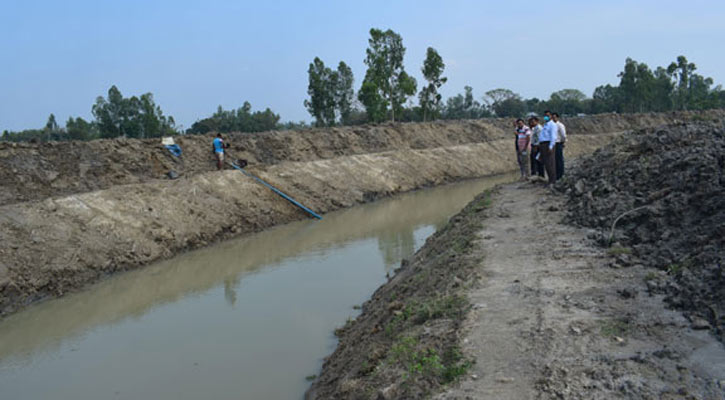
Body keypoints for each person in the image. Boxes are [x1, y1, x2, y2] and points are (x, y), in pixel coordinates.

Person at [538, 111, 558, 186]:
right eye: (545, 115)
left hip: (548, 144)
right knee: (546, 163)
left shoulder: (552, 125)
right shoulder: (545, 125)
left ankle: (553, 181)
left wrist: (550, 146)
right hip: (543, 144)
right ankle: (550, 179)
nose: (546, 117)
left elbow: (553, 136)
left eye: (548, 115)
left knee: (550, 163)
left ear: (551, 116)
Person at [552, 112, 567, 180]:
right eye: (552, 117)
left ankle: (561, 174)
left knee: (559, 160)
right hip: (553, 144)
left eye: (554, 117)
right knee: (554, 160)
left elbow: (563, 135)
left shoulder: (560, 125)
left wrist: (563, 142)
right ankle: (556, 175)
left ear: (557, 118)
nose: (553, 119)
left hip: (558, 143)